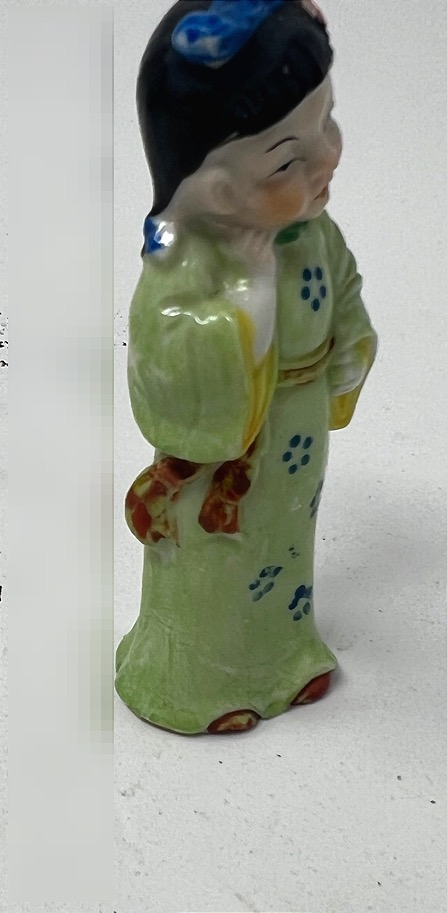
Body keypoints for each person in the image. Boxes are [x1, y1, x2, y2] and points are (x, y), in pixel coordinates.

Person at [115, 0, 378, 734]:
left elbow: (345, 292)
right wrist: (249, 297)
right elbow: (167, 349)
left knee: (284, 543)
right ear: (218, 190)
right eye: (289, 159)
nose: (327, 156)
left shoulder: (313, 233)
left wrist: (349, 353)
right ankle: (194, 678)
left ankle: (284, 656)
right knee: (217, 564)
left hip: (296, 435)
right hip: (228, 453)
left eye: (327, 122)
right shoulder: (181, 258)